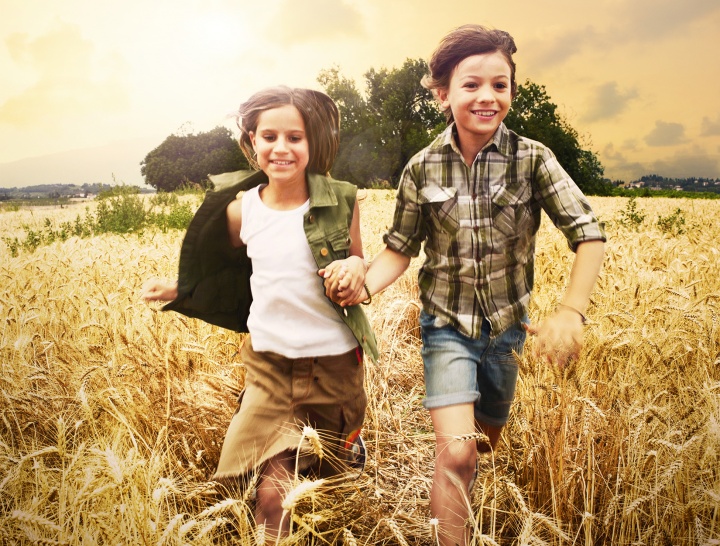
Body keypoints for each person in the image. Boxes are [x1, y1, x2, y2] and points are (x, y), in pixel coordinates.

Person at [322, 25, 606, 545]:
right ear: (442, 94)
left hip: (508, 333)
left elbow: (588, 233)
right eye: (471, 84)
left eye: (500, 85)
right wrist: (361, 286)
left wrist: (570, 311)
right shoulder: (421, 168)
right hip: (446, 327)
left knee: (485, 443)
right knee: (457, 452)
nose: (487, 97)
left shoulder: (533, 159)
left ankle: (474, 477)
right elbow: (398, 252)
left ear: (512, 93)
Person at [142, 86, 378, 543]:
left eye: (295, 137)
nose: (281, 148)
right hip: (269, 370)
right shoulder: (241, 211)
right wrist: (181, 287)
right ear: (251, 142)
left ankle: (348, 447)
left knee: (331, 478)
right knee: (272, 494)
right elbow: (226, 268)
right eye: (269, 136)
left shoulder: (341, 201)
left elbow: (359, 261)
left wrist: (354, 268)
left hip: (334, 366)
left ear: (313, 144)